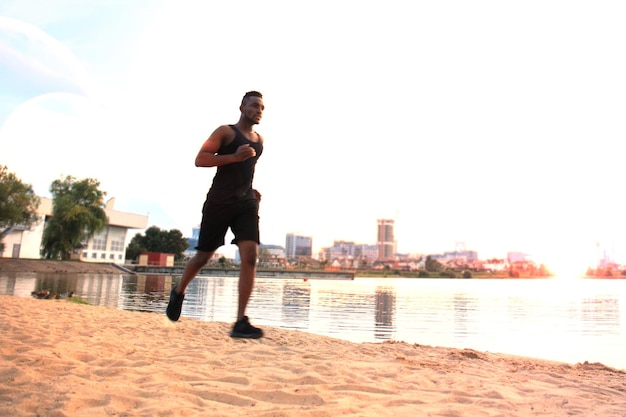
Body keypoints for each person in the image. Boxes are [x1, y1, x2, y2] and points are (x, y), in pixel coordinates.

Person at [166, 91, 265, 339]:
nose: (259, 110)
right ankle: (179, 291)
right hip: (219, 202)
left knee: (251, 256)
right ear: (242, 106)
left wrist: (251, 190)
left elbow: (245, 170)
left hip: (246, 203)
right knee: (204, 256)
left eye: (262, 107)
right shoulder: (225, 132)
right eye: (254, 105)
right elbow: (200, 160)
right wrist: (233, 156)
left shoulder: (259, 140)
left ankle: (240, 321)